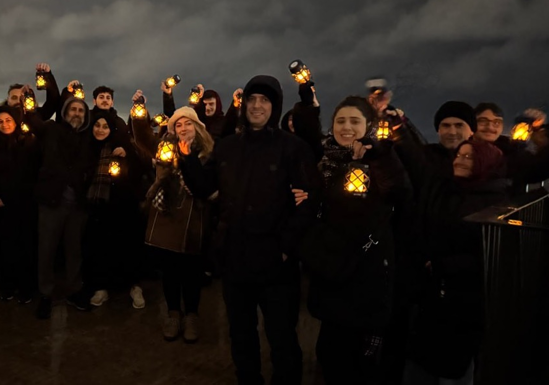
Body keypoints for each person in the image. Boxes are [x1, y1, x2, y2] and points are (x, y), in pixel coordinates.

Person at [178, 75, 320, 385]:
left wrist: (285, 247)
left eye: (265, 100)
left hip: (276, 263)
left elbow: (307, 201)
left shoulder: (292, 148)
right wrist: (186, 160)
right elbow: (204, 187)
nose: (257, 105)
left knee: (282, 336)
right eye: (252, 99)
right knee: (241, 334)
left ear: (275, 106)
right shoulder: (227, 147)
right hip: (235, 258)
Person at [297, 96, 412, 384]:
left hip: (365, 275)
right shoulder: (326, 161)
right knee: (329, 353)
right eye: (340, 121)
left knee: (360, 365)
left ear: (369, 126)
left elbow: (400, 191)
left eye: (354, 121)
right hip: (331, 268)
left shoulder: (381, 158)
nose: (346, 127)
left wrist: (379, 156)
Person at [391, 116, 508, 385]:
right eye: (459, 156)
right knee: (419, 366)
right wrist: (401, 127)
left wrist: (446, 265)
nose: (460, 160)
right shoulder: (446, 189)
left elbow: (491, 255)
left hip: (463, 307)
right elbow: (417, 162)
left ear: (485, 163)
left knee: (452, 369)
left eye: (470, 157)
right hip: (429, 298)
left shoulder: (496, 204)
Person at [132, 101, 213, 343]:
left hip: (193, 219)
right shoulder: (164, 147)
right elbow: (144, 137)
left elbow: (207, 185)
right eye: (179, 124)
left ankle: (191, 316)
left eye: (189, 123)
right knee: (170, 271)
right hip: (167, 215)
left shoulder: (208, 152)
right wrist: (138, 114)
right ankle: (173, 313)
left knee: (191, 272)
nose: (184, 127)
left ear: (198, 127)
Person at [24, 93, 96, 319]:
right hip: (51, 201)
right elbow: (32, 120)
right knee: (46, 249)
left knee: (74, 250)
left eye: (81, 111)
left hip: (77, 204)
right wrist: (34, 94)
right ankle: (46, 294)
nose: (76, 114)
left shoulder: (89, 138)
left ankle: (74, 290)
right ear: (65, 114)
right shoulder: (52, 130)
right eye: (73, 110)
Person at [83, 112, 145, 310]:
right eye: (97, 125)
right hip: (97, 206)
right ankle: (102, 287)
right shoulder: (89, 148)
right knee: (100, 248)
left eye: (105, 126)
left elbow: (140, 169)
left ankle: (134, 286)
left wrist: (127, 156)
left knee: (127, 246)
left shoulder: (122, 146)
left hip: (122, 206)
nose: (100, 130)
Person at [0, 103, 40, 304]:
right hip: (3, 203)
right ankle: (7, 285)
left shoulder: (28, 142)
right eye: (0, 121)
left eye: (8, 120)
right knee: (5, 246)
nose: (4, 124)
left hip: (25, 202)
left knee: (26, 245)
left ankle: (27, 287)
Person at [428, 101, 476, 177]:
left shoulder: (487, 162)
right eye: (446, 126)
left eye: (459, 125)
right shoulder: (422, 159)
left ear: (472, 131)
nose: (452, 132)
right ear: (438, 130)